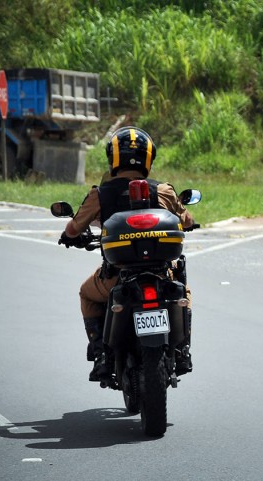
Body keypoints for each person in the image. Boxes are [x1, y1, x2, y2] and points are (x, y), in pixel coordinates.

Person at [59, 126, 195, 381]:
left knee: (87, 293)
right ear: (148, 159)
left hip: (117, 277)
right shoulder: (164, 191)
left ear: (113, 159)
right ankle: (183, 351)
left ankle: (100, 353)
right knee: (183, 292)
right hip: (162, 275)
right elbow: (188, 221)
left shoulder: (99, 195)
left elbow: (73, 229)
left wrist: (70, 236)